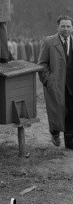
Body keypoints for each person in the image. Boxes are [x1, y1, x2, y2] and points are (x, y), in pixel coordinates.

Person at [38, 16, 73, 149]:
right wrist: (48, 81)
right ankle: (55, 133)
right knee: (57, 112)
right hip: (56, 85)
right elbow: (42, 64)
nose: (65, 29)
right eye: (63, 26)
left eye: (68, 26)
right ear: (57, 27)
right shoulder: (49, 42)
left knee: (71, 114)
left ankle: (70, 142)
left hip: (71, 85)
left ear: (72, 28)